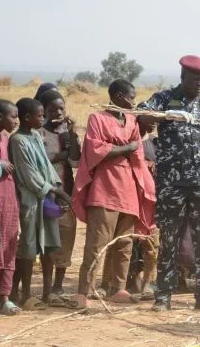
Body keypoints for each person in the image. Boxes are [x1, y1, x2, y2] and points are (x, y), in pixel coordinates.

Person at [138, 55, 200, 312]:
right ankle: (164, 295)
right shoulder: (164, 98)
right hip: (173, 183)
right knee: (170, 238)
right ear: (183, 77)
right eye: (195, 79)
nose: (199, 84)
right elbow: (142, 117)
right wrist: (166, 114)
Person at [72, 79, 156, 307]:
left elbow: (137, 153)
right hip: (105, 189)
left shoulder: (132, 122)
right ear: (118, 96)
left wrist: (120, 149)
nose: (133, 101)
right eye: (130, 96)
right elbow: (94, 149)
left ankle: (117, 288)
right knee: (96, 244)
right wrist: (125, 148)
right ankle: (83, 291)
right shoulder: (97, 119)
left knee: (124, 243)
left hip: (128, 189)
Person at [9, 98, 72, 309]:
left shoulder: (35, 135)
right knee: (28, 246)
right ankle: (25, 294)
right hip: (30, 200)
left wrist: (55, 188)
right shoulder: (17, 140)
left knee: (50, 245)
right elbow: (29, 175)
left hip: (46, 198)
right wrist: (54, 189)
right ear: (27, 118)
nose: (43, 119)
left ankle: (47, 292)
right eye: (40, 115)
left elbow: (46, 166)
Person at [37, 89, 80, 299]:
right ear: (44, 111)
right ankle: (46, 287)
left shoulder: (67, 133)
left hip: (67, 195)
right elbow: (43, 159)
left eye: (62, 108)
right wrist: (59, 155)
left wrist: (72, 134)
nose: (58, 112)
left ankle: (58, 286)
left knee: (66, 240)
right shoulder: (39, 133)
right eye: (53, 109)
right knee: (48, 243)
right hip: (46, 196)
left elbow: (75, 161)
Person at [0, 100, 19, 315]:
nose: (15, 121)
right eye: (12, 117)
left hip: (8, 202)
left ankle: (4, 297)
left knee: (8, 246)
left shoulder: (5, 139)